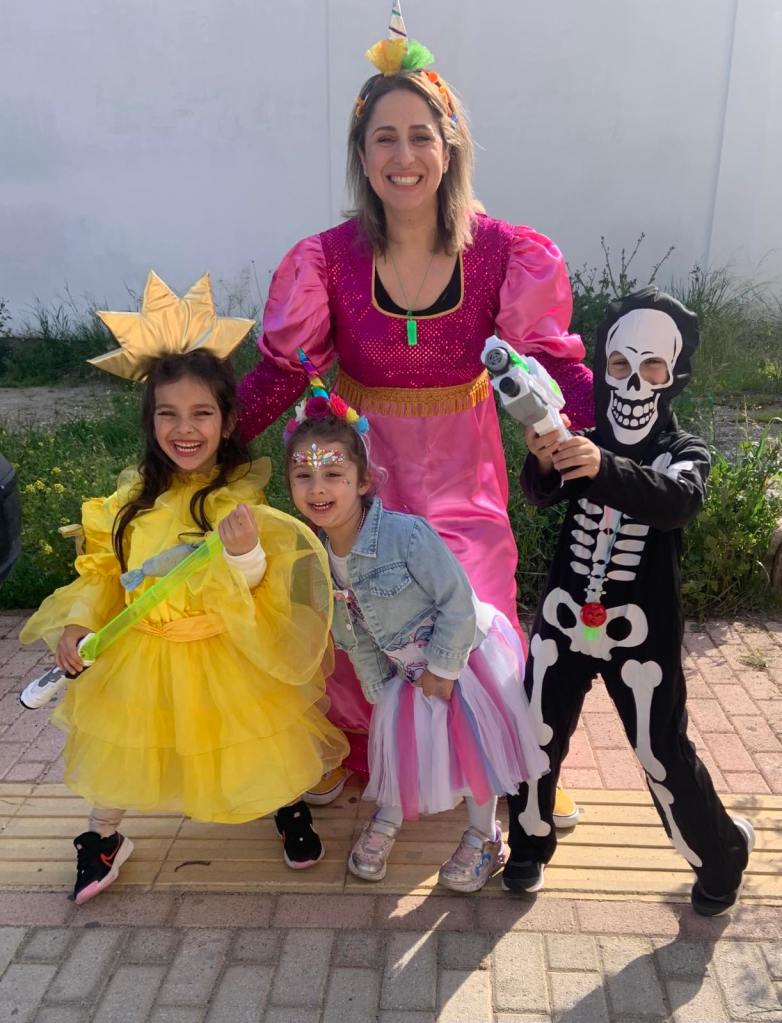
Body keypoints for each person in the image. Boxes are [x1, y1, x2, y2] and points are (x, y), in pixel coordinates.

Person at [238, 5, 592, 826]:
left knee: (478, 608)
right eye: (384, 139)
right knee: (359, 610)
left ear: (450, 144)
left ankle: (500, 754)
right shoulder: (326, 259)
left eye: (420, 136)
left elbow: (548, 358)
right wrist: (213, 437)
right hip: (368, 473)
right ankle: (366, 750)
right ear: (361, 156)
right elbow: (284, 370)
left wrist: (594, 433)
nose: (404, 156)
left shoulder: (504, 251)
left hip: (466, 470)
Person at [19, 272, 348, 904]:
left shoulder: (237, 497)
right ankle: (103, 837)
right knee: (126, 747)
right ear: (151, 422)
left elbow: (259, 585)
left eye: (202, 413)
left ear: (227, 421)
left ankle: (285, 805)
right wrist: (80, 622)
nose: (184, 428)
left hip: (225, 649)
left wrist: (245, 553)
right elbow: (104, 575)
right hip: (143, 651)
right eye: (167, 414)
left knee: (257, 736)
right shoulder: (126, 505)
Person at [502, 287, 754, 915]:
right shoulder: (581, 437)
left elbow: (677, 502)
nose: (633, 381)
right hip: (564, 617)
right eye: (619, 364)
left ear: (676, 377)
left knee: (660, 750)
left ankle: (721, 856)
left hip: (642, 631)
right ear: (603, 367)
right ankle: (527, 847)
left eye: (653, 367)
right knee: (534, 734)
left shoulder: (685, 453)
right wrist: (544, 462)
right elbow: (542, 495)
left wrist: (603, 467)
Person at [284, 392, 549, 892]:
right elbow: (353, 632)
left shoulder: (406, 536)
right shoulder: (318, 559)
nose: (318, 488)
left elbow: (457, 601)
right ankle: (389, 815)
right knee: (400, 743)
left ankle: (485, 834)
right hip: (405, 669)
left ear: (363, 481)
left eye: (334, 474)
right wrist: (378, 688)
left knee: (473, 749)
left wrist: (445, 670)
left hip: (463, 657)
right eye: (303, 476)